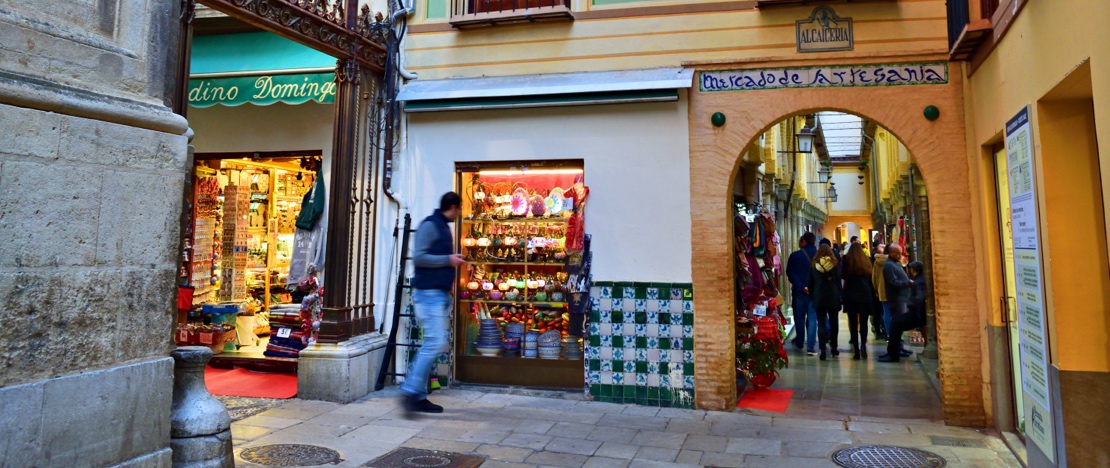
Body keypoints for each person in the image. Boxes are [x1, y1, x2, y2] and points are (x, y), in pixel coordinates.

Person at [400, 192, 467, 415]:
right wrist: (448, 260)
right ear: (453, 207)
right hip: (428, 294)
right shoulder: (430, 225)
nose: (459, 214)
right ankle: (410, 391)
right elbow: (419, 257)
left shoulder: (441, 225)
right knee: (434, 343)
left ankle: (417, 396)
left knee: (432, 343)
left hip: (435, 294)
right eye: (459, 209)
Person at [879, 244, 914, 362]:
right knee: (897, 326)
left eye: (901, 252)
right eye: (897, 253)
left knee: (898, 326)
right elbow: (893, 282)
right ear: (890, 253)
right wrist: (907, 283)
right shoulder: (888, 265)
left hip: (901, 298)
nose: (900, 255)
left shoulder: (894, 264)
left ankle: (898, 348)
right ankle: (893, 351)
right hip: (896, 298)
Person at [786, 232, 819, 356]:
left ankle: (799, 341)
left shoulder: (795, 255)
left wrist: (801, 286)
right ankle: (810, 347)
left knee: (799, 318)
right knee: (812, 319)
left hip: (799, 292)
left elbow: (790, 272)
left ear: (804, 241)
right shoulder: (819, 256)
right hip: (814, 292)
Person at [841, 243, 874, 360]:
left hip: (851, 294)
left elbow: (843, 275)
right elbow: (870, 277)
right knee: (864, 323)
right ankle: (863, 346)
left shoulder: (846, 260)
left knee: (853, 323)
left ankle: (856, 349)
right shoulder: (866, 260)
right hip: (864, 294)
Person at [809, 244, 841, 360]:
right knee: (834, 323)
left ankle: (822, 349)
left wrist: (812, 296)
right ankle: (834, 347)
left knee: (821, 324)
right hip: (832, 296)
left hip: (819, 296)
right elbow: (838, 281)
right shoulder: (834, 264)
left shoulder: (814, 265)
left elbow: (810, 283)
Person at [871, 243, 890, 341]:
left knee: (882, 313)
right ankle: (891, 334)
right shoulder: (891, 261)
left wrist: (876, 289)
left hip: (880, 290)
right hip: (892, 291)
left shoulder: (875, 261)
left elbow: (874, 278)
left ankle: (883, 333)